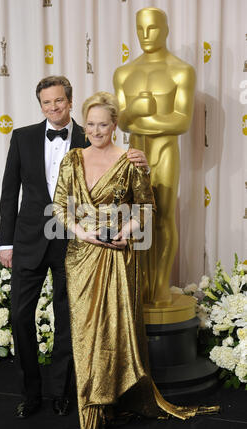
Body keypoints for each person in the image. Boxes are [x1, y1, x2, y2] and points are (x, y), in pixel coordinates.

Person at [53, 91, 218, 429]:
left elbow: (147, 207)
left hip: (116, 255)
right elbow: (59, 206)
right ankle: (91, 406)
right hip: (81, 258)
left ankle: (113, 401)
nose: (97, 131)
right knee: (86, 335)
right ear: (86, 125)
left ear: (115, 125)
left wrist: (124, 231)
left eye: (104, 124)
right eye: (92, 124)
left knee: (113, 331)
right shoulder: (72, 160)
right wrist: (82, 233)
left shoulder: (132, 161)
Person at [0, 75, 149, 419]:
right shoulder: (22, 138)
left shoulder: (90, 133)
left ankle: (61, 392)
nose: (53, 108)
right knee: (21, 316)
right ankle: (30, 392)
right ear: (40, 105)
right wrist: (5, 242)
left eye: (59, 101)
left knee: (67, 320)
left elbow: (121, 168)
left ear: (70, 101)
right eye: (46, 102)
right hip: (29, 239)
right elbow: (10, 194)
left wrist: (142, 162)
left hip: (76, 242)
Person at [113, 7, 196, 307]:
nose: (146, 35)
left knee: (163, 216)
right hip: (135, 153)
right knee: (136, 218)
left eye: (153, 28)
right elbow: (121, 121)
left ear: (166, 29)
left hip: (164, 152)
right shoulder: (124, 72)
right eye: (140, 29)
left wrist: (138, 118)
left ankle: (161, 286)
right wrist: (134, 112)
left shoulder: (181, 70)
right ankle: (140, 284)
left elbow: (181, 122)